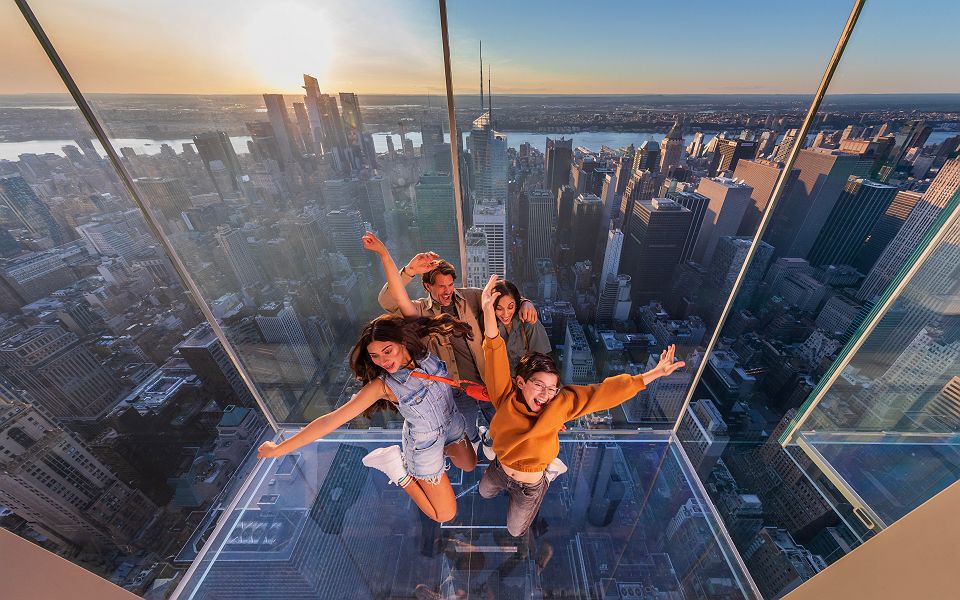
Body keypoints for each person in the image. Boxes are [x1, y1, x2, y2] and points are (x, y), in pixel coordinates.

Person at [256, 235, 479, 523]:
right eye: (375, 357)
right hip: (423, 445)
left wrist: (385, 255)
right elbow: (330, 421)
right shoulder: (384, 386)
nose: (384, 360)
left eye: (387, 351)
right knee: (444, 514)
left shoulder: (421, 350)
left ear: (401, 342)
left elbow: (399, 297)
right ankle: (397, 471)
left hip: (450, 422)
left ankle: (444, 458)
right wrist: (279, 449)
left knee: (470, 464)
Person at [477, 275, 685, 536]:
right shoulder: (504, 395)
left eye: (552, 388)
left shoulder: (559, 404)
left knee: (516, 531)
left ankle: (546, 477)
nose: (546, 395)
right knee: (483, 492)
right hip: (500, 468)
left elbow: (603, 393)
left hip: (530, 486)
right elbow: (493, 350)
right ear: (520, 382)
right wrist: (487, 311)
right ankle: (506, 464)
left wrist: (651, 375)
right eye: (539, 386)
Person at [378, 249, 538, 446]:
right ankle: (477, 448)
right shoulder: (419, 310)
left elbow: (504, 297)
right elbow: (386, 301)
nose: (447, 291)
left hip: (489, 381)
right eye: (441, 286)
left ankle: (489, 443)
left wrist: (525, 303)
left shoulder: (471, 297)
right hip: (457, 390)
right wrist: (409, 271)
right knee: (466, 435)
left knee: (507, 426)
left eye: (450, 285)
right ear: (427, 286)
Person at [491, 279, 551, 375]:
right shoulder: (489, 324)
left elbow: (542, 362)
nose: (505, 314)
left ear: (516, 304)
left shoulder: (529, 323)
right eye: (499, 308)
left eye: (510, 307)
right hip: (499, 381)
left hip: (525, 381)